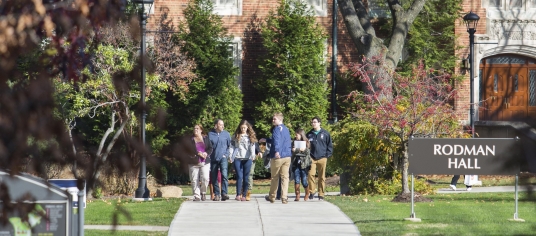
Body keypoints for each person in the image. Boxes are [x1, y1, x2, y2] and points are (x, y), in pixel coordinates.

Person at [263, 112, 292, 204]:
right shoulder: (286, 129)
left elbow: (276, 142)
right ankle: (284, 197)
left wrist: (277, 151)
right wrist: (267, 140)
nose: (273, 120)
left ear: (280, 119)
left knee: (274, 177)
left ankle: (272, 196)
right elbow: (283, 141)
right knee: (285, 177)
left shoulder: (276, 129)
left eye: (274, 119)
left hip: (278, 156)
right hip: (287, 156)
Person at [230, 120, 257, 201]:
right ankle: (238, 194)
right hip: (238, 157)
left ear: (247, 127)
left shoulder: (250, 136)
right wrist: (230, 156)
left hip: (247, 158)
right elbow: (232, 146)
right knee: (239, 176)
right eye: (242, 128)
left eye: (244, 128)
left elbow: (252, 146)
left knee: (246, 177)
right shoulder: (236, 136)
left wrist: (253, 155)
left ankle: (244, 195)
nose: (243, 129)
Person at [307, 116, 333, 201]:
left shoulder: (325, 133)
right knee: (311, 174)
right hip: (312, 157)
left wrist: (327, 155)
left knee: (321, 177)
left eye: (315, 122)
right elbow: (306, 145)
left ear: (319, 123)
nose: (313, 124)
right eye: (312, 122)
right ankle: (312, 191)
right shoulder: (309, 134)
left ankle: (321, 194)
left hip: (322, 157)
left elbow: (329, 145)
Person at [208, 119, 232, 201]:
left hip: (223, 158)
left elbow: (230, 146)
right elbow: (208, 147)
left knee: (224, 175)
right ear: (216, 125)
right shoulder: (210, 134)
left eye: (223, 124)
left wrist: (226, 155)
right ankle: (217, 194)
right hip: (213, 158)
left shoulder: (226, 134)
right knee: (214, 177)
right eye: (221, 124)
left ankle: (224, 193)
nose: (223, 126)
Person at [189, 124, 213, 201]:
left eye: (197, 128)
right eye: (194, 128)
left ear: (201, 130)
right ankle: (197, 196)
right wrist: (198, 153)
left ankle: (203, 193)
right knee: (194, 179)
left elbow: (210, 148)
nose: (195, 130)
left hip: (205, 162)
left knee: (205, 178)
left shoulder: (206, 138)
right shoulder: (191, 139)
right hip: (194, 162)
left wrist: (206, 153)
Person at [292, 128, 312, 201]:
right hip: (296, 164)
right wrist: (299, 150)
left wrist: (298, 150)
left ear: (301, 135)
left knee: (304, 181)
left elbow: (307, 152)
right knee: (297, 180)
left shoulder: (306, 142)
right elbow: (293, 152)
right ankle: (297, 195)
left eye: (297, 134)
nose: (296, 136)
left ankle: (307, 193)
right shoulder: (294, 142)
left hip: (304, 165)